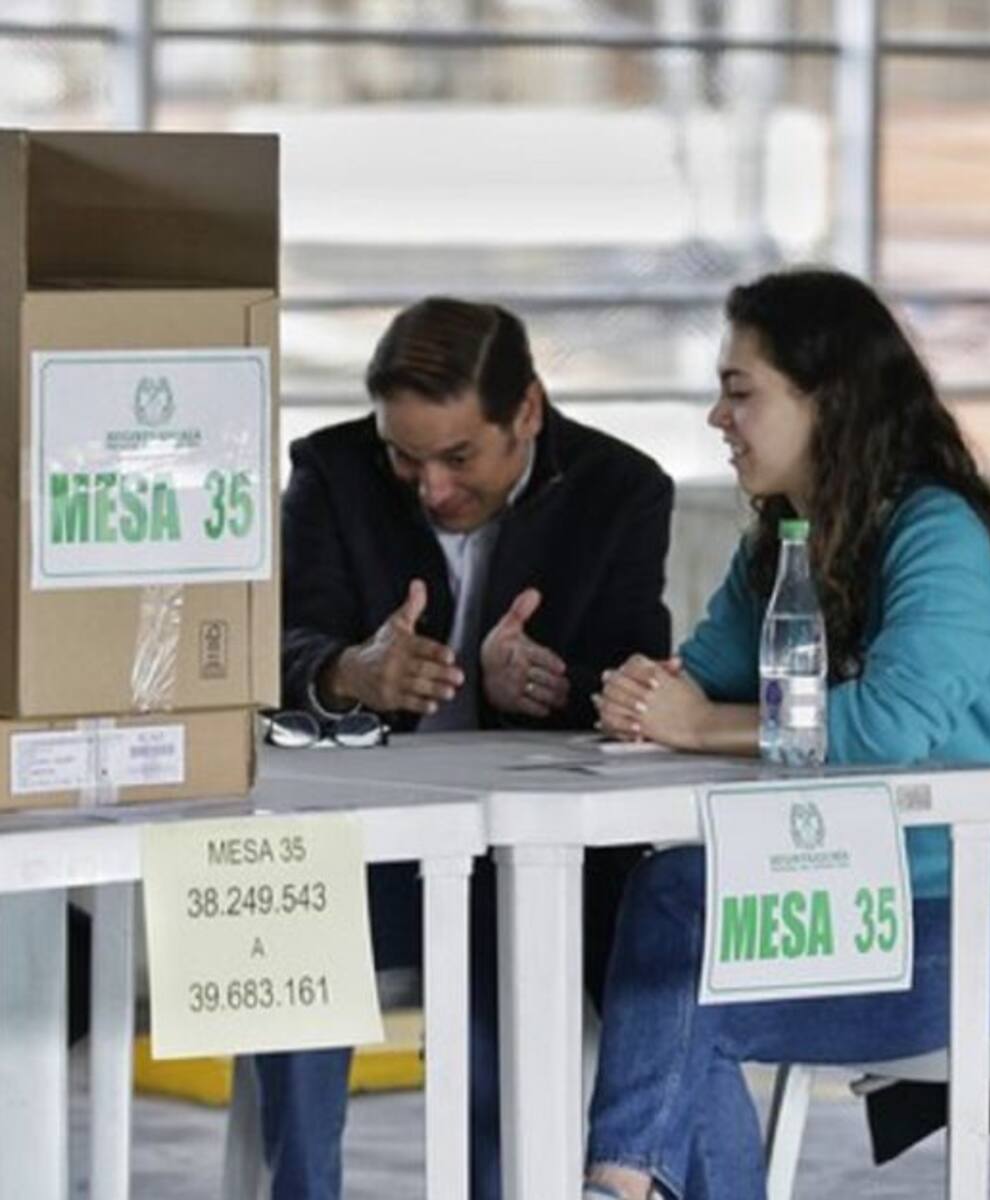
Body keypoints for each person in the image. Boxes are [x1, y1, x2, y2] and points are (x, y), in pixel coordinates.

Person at [584, 267, 990, 1200]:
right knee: (670, 906)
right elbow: (699, 675)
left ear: (828, 401)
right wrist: (640, 692)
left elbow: (892, 726)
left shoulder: (939, 532)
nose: (718, 418)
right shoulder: (785, 543)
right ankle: (622, 1183)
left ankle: (618, 1184)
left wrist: (700, 725)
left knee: (677, 997)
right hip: (864, 895)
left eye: (740, 392)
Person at [258, 297, 673, 1200]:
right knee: (286, 926)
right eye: (404, 459)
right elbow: (273, 645)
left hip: (523, 852)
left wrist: (550, 686)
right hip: (363, 841)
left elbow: (638, 670)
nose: (432, 490)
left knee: (507, 941)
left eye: (457, 458)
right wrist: (346, 672)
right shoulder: (330, 471)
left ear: (525, 412)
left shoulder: (621, 488)